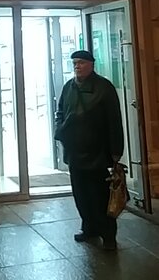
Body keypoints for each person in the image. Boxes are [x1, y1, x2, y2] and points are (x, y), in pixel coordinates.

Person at [54, 49, 125, 250]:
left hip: (97, 152)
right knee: (81, 194)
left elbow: (114, 121)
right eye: (75, 63)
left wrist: (116, 151)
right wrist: (60, 130)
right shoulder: (69, 86)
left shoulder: (104, 88)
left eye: (81, 63)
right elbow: (60, 111)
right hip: (74, 151)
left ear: (91, 65)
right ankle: (89, 228)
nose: (77, 66)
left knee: (100, 195)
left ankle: (108, 235)